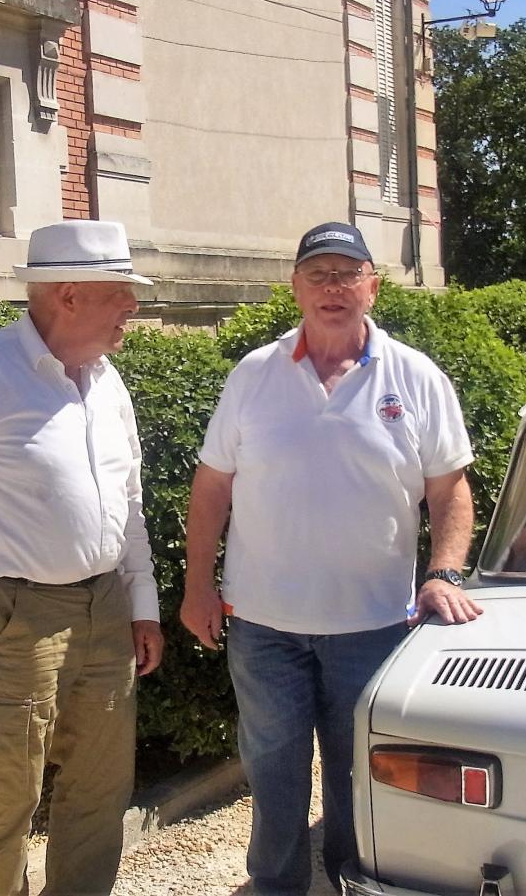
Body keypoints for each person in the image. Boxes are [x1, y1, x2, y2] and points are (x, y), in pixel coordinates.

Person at [181, 221, 481, 896]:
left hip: (375, 629)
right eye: (318, 275)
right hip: (264, 629)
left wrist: (443, 571)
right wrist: (198, 583)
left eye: (348, 274)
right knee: (275, 774)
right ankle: (277, 887)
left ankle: (356, 886)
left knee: (362, 784)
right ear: (295, 288)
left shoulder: (417, 377)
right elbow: (212, 488)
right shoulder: (254, 376)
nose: (333, 288)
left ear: (373, 287)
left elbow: (450, 487)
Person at [0, 219, 164, 896]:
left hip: (106, 607)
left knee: (101, 791)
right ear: (69, 294)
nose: (133, 308)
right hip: (17, 616)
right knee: (2, 801)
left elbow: (128, 504)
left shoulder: (110, 383)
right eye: (121, 293)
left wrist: (143, 604)